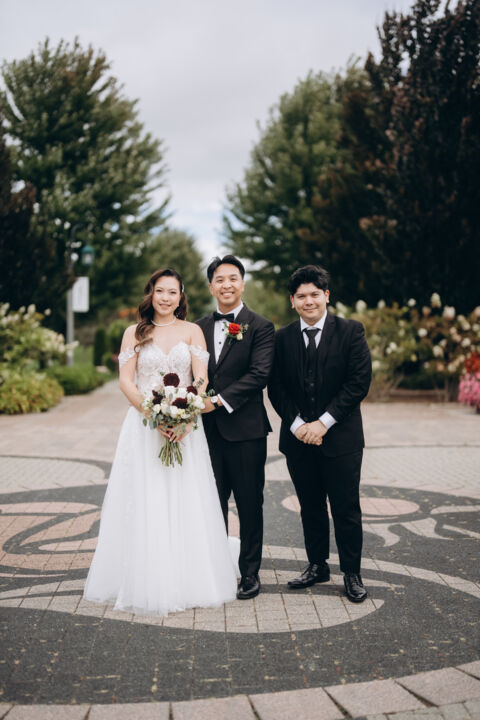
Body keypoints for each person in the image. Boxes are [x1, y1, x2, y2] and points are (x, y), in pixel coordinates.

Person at [83, 268, 238, 615]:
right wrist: (154, 415)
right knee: (145, 495)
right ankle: (145, 576)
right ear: (150, 294)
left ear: (181, 296)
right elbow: (126, 382)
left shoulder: (192, 330)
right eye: (160, 291)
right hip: (143, 427)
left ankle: (188, 577)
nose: (166, 298)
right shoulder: (134, 332)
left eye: (172, 292)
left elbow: (201, 378)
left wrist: (186, 416)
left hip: (185, 429)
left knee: (186, 496)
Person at [268, 265, 372, 602]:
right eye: (301, 296)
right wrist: (298, 425)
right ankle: (317, 565)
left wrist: (323, 422)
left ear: (326, 295)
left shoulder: (351, 331)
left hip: (341, 439)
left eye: (315, 294)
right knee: (310, 507)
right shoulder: (281, 338)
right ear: (292, 301)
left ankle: (352, 573)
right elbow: (276, 388)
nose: (308, 301)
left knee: (346, 508)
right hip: (298, 440)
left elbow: (358, 383)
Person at [196, 255, 275, 600]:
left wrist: (217, 401)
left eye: (233, 278)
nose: (226, 284)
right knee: (210, 503)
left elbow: (259, 374)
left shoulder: (261, 326)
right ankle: (214, 569)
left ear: (242, 283)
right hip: (204, 433)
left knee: (248, 503)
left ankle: (250, 573)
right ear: (211, 286)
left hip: (246, 431)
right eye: (219, 279)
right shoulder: (196, 327)